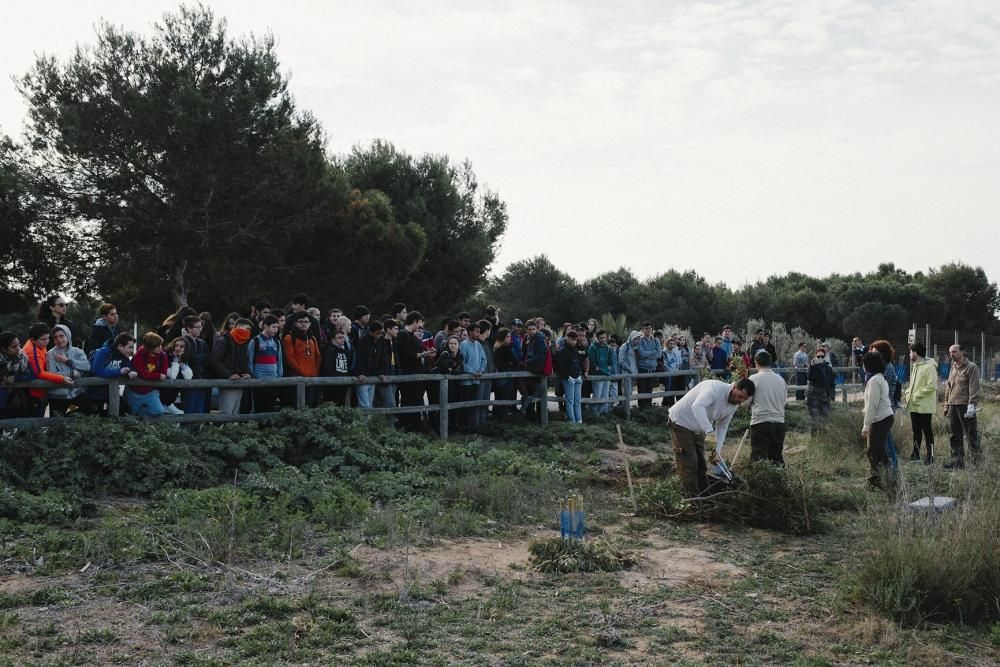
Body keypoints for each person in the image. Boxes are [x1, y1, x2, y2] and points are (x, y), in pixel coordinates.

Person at [668, 378, 755, 497]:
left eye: (744, 399)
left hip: (699, 427)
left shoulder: (733, 406)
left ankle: (705, 496)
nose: (739, 401)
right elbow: (697, 406)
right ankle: (693, 500)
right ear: (734, 387)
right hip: (681, 422)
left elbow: (723, 427)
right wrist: (709, 431)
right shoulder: (714, 388)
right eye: (739, 396)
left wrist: (716, 450)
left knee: (701, 465)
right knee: (689, 463)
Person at [943, 344, 981, 469]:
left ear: (962, 352)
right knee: (955, 435)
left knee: (971, 435)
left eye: (954, 351)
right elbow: (949, 386)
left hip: (965, 406)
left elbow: (974, 387)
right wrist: (946, 404)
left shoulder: (971, 367)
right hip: (953, 405)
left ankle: (976, 463)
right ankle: (957, 462)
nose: (951, 354)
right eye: (950, 352)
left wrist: (972, 405)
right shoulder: (953, 367)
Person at [23, 323, 74, 416]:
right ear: (33, 340)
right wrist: (62, 378)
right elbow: (40, 373)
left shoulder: (39, 344)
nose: (47, 341)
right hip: (35, 393)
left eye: (48, 338)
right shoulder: (32, 351)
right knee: (33, 423)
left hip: (40, 391)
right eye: (43, 339)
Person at [397, 311, 435, 430]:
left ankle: (416, 425)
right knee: (408, 400)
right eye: (419, 322)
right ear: (415, 321)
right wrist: (424, 354)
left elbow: (421, 350)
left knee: (416, 400)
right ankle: (408, 426)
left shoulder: (413, 336)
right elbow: (407, 354)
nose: (420, 326)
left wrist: (428, 352)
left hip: (417, 374)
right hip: (408, 374)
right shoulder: (403, 334)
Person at [46, 324, 95, 416]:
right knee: (56, 422)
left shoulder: (78, 351)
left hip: (76, 392)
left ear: (68, 336)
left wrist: (67, 361)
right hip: (57, 394)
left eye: (61, 336)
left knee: (89, 410)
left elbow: (87, 366)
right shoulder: (50, 354)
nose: (59, 340)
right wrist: (71, 373)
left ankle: (71, 414)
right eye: (56, 337)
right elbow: (52, 373)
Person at [861, 351, 894, 488]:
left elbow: (872, 406)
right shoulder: (880, 377)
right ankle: (889, 476)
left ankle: (875, 480)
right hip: (885, 417)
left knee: (872, 451)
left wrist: (866, 425)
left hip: (880, 418)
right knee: (880, 450)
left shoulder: (874, 381)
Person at [748, 351, 786, 465]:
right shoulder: (781, 380)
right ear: (771, 363)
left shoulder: (754, 379)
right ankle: (779, 481)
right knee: (776, 458)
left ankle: (759, 482)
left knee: (759, 460)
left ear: (756, 363)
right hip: (779, 423)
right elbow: (784, 402)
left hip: (761, 422)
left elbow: (745, 402)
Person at [903, 342, 937, 465]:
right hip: (914, 405)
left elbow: (932, 386)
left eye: (910, 352)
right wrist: (907, 393)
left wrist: (916, 395)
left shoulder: (929, 367)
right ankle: (916, 455)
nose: (909, 354)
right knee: (916, 431)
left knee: (927, 432)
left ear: (916, 353)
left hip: (925, 406)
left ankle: (931, 457)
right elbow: (912, 385)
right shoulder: (915, 366)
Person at [211, 318, 253, 416]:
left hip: (240, 381)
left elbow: (245, 361)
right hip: (228, 382)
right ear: (238, 327)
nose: (248, 332)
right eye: (247, 329)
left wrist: (248, 373)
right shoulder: (224, 340)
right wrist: (228, 374)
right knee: (226, 412)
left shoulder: (244, 342)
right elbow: (215, 360)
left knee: (235, 412)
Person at [869, 340, 900, 471]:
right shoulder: (883, 368)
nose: (872, 354)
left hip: (885, 409)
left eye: (875, 352)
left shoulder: (886, 369)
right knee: (885, 438)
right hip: (882, 408)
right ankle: (889, 464)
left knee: (886, 439)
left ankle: (893, 466)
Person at [88, 332, 135, 415]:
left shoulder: (124, 356)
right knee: (98, 415)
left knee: (125, 410)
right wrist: (118, 371)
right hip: (95, 392)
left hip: (111, 391)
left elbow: (128, 367)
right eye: (130, 347)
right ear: (120, 346)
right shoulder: (104, 352)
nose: (132, 351)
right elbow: (97, 371)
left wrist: (131, 372)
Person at [283, 310, 323, 408]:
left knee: (312, 405)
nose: (304, 324)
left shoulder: (312, 338)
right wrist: (303, 372)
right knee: (298, 405)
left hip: (312, 378)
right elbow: (289, 358)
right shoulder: (289, 338)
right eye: (300, 322)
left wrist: (315, 371)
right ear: (295, 323)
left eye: (306, 322)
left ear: (310, 324)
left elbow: (318, 357)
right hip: (297, 377)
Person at [126, 332, 169, 417]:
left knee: (158, 411)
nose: (160, 348)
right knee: (129, 414)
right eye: (157, 346)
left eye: (160, 345)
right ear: (149, 347)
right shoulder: (140, 354)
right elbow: (140, 372)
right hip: (134, 391)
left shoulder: (163, 356)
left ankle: (140, 416)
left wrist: (156, 376)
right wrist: (157, 376)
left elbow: (163, 374)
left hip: (151, 391)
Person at [248, 315, 283, 413]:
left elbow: (279, 361)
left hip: (273, 380)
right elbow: (250, 361)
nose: (276, 330)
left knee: (270, 408)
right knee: (259, 408)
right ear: (265, 326)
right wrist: (252, 376)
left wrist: (279, 377)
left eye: (277, 327)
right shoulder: (255, 341)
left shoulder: (277, 342)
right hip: (259, 381)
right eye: (273, 327)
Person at [354, 320, 389, 410]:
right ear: (371, 332)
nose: (379, 335)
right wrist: (360, 372)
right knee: (365, 405)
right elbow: (360, 358)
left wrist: (382, 372)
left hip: (373, 376)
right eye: (377, 333)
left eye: (381, 333)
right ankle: (365, 423)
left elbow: (383, 358)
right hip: (363, 376)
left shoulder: (382, 341)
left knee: (369, 403)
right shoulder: (363, 341)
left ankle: (368, 423)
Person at [459, 321, 487, 431]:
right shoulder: (464, 345)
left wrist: (480, 370)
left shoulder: (478, 345)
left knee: (473, 404)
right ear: (470, 332)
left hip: (476, 380)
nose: (478, 333)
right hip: (466, 381)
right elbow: (461, 363)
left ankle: (472, 427)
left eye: (479, 332)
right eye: (476, 331)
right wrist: (472, 372)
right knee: (465, 405)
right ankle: (464, 427)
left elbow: (484, 359)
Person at [1, 331, 35, 418]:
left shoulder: (22, 356)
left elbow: (31, 375)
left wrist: (16, 378)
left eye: (18, 345)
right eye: (13, 347)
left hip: (18, 400)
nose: (18, 348)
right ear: (4, 349)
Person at [180, 316, 210, 414]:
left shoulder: (202, 342)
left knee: (199, 410)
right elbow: (191, 358)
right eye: (197, 327)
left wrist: (198, 357)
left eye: (201, 326)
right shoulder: (183, 341)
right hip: (189, 381)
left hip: (201, 379)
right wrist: (200, 357)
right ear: (189, 328)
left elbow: (207, 358)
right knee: (189, 409)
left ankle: (196, 428)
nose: (200, 329)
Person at [554, 330, 584, 423]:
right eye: (572, 339)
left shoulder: (576, 349)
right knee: (570, 400)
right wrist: (567, 377)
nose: (574, 341)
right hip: (568, 379)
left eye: (575, 340)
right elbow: (559, 366)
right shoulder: (562, 351)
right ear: (567, 338)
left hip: (577, 377)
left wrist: (579, 374)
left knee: (577, 401)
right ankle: (572, 421)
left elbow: (580, 362)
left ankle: (579, 420)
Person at [321, 330, 353, 406]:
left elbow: (348, 366)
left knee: (341, 405)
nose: (342, 339)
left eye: (343, 337)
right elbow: (328, 367)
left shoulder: (345, 351)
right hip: (332, 384)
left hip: (343, 383)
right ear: (333, 340)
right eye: (339, 338)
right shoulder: (329, 350)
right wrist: (336, 378)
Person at [492, 328, 517, 420]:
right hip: (505, 376)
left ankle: (497, 419)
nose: (510, 338)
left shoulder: (496, 348)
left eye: (510, 336)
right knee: (504, 398)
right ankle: (501, 420)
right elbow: (515, 361)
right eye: (507, 337)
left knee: (499, 398)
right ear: (502, 338)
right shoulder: (505, 348)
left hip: (499, 376)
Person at [587, 330, 613, 417]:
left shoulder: (608, 347)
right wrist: (602, 370)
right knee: (597, 394)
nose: (603, 339)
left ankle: (603, 414)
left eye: (604, 337)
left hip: (606, 374)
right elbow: (593, 363)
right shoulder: (592, 347)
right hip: (597, 375)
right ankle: (594, 414)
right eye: (601, 338)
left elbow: (610, 361)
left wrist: (608, 368)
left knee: (605, 395)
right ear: (597, 338)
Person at [807, 347, 835, 427]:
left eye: (822, 356)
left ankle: (823, 438)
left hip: (825, 396)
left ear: (825, 357)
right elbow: (810, 377)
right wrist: (812, 366)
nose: (820, 358)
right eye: (818, 356)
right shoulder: (812, 367)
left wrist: (832, 396)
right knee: (815, 419)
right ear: (815, 357)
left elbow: (832, 383)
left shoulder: (828, 369)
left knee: (825, 418)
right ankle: (814, 438)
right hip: (814, 396)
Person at [636, 322, 661, 409]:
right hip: (642, 369)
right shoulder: (640, 340)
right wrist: (653, 352)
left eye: (650, 328)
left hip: (652, 369)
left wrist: (648, 355)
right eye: (646, 328)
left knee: (649, 390)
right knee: (642, 390)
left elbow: (659, 354)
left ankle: (649, 410)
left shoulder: (656, 340)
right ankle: (641, 410)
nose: (648, 330)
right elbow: (641, 354)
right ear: (643, 330)